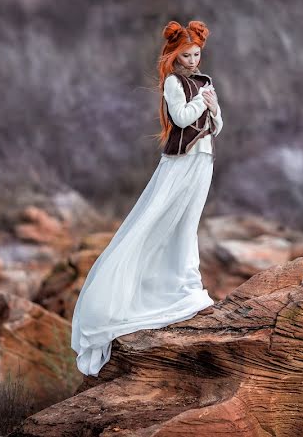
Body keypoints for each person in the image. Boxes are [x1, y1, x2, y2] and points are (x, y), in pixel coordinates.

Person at [70, 19, 223, 377]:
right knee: (156, 220)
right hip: (180, 162)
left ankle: (186, 283)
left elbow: (216, 126)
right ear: (173, 55)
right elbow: (181, 118)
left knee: (188, 224)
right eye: (185, 55)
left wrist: (213, 108)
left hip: (204, 161)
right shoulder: (173, 82)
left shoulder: (205, 82)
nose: (192, 60)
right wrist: (203, 103)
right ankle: (147, 290)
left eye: (196, 54)